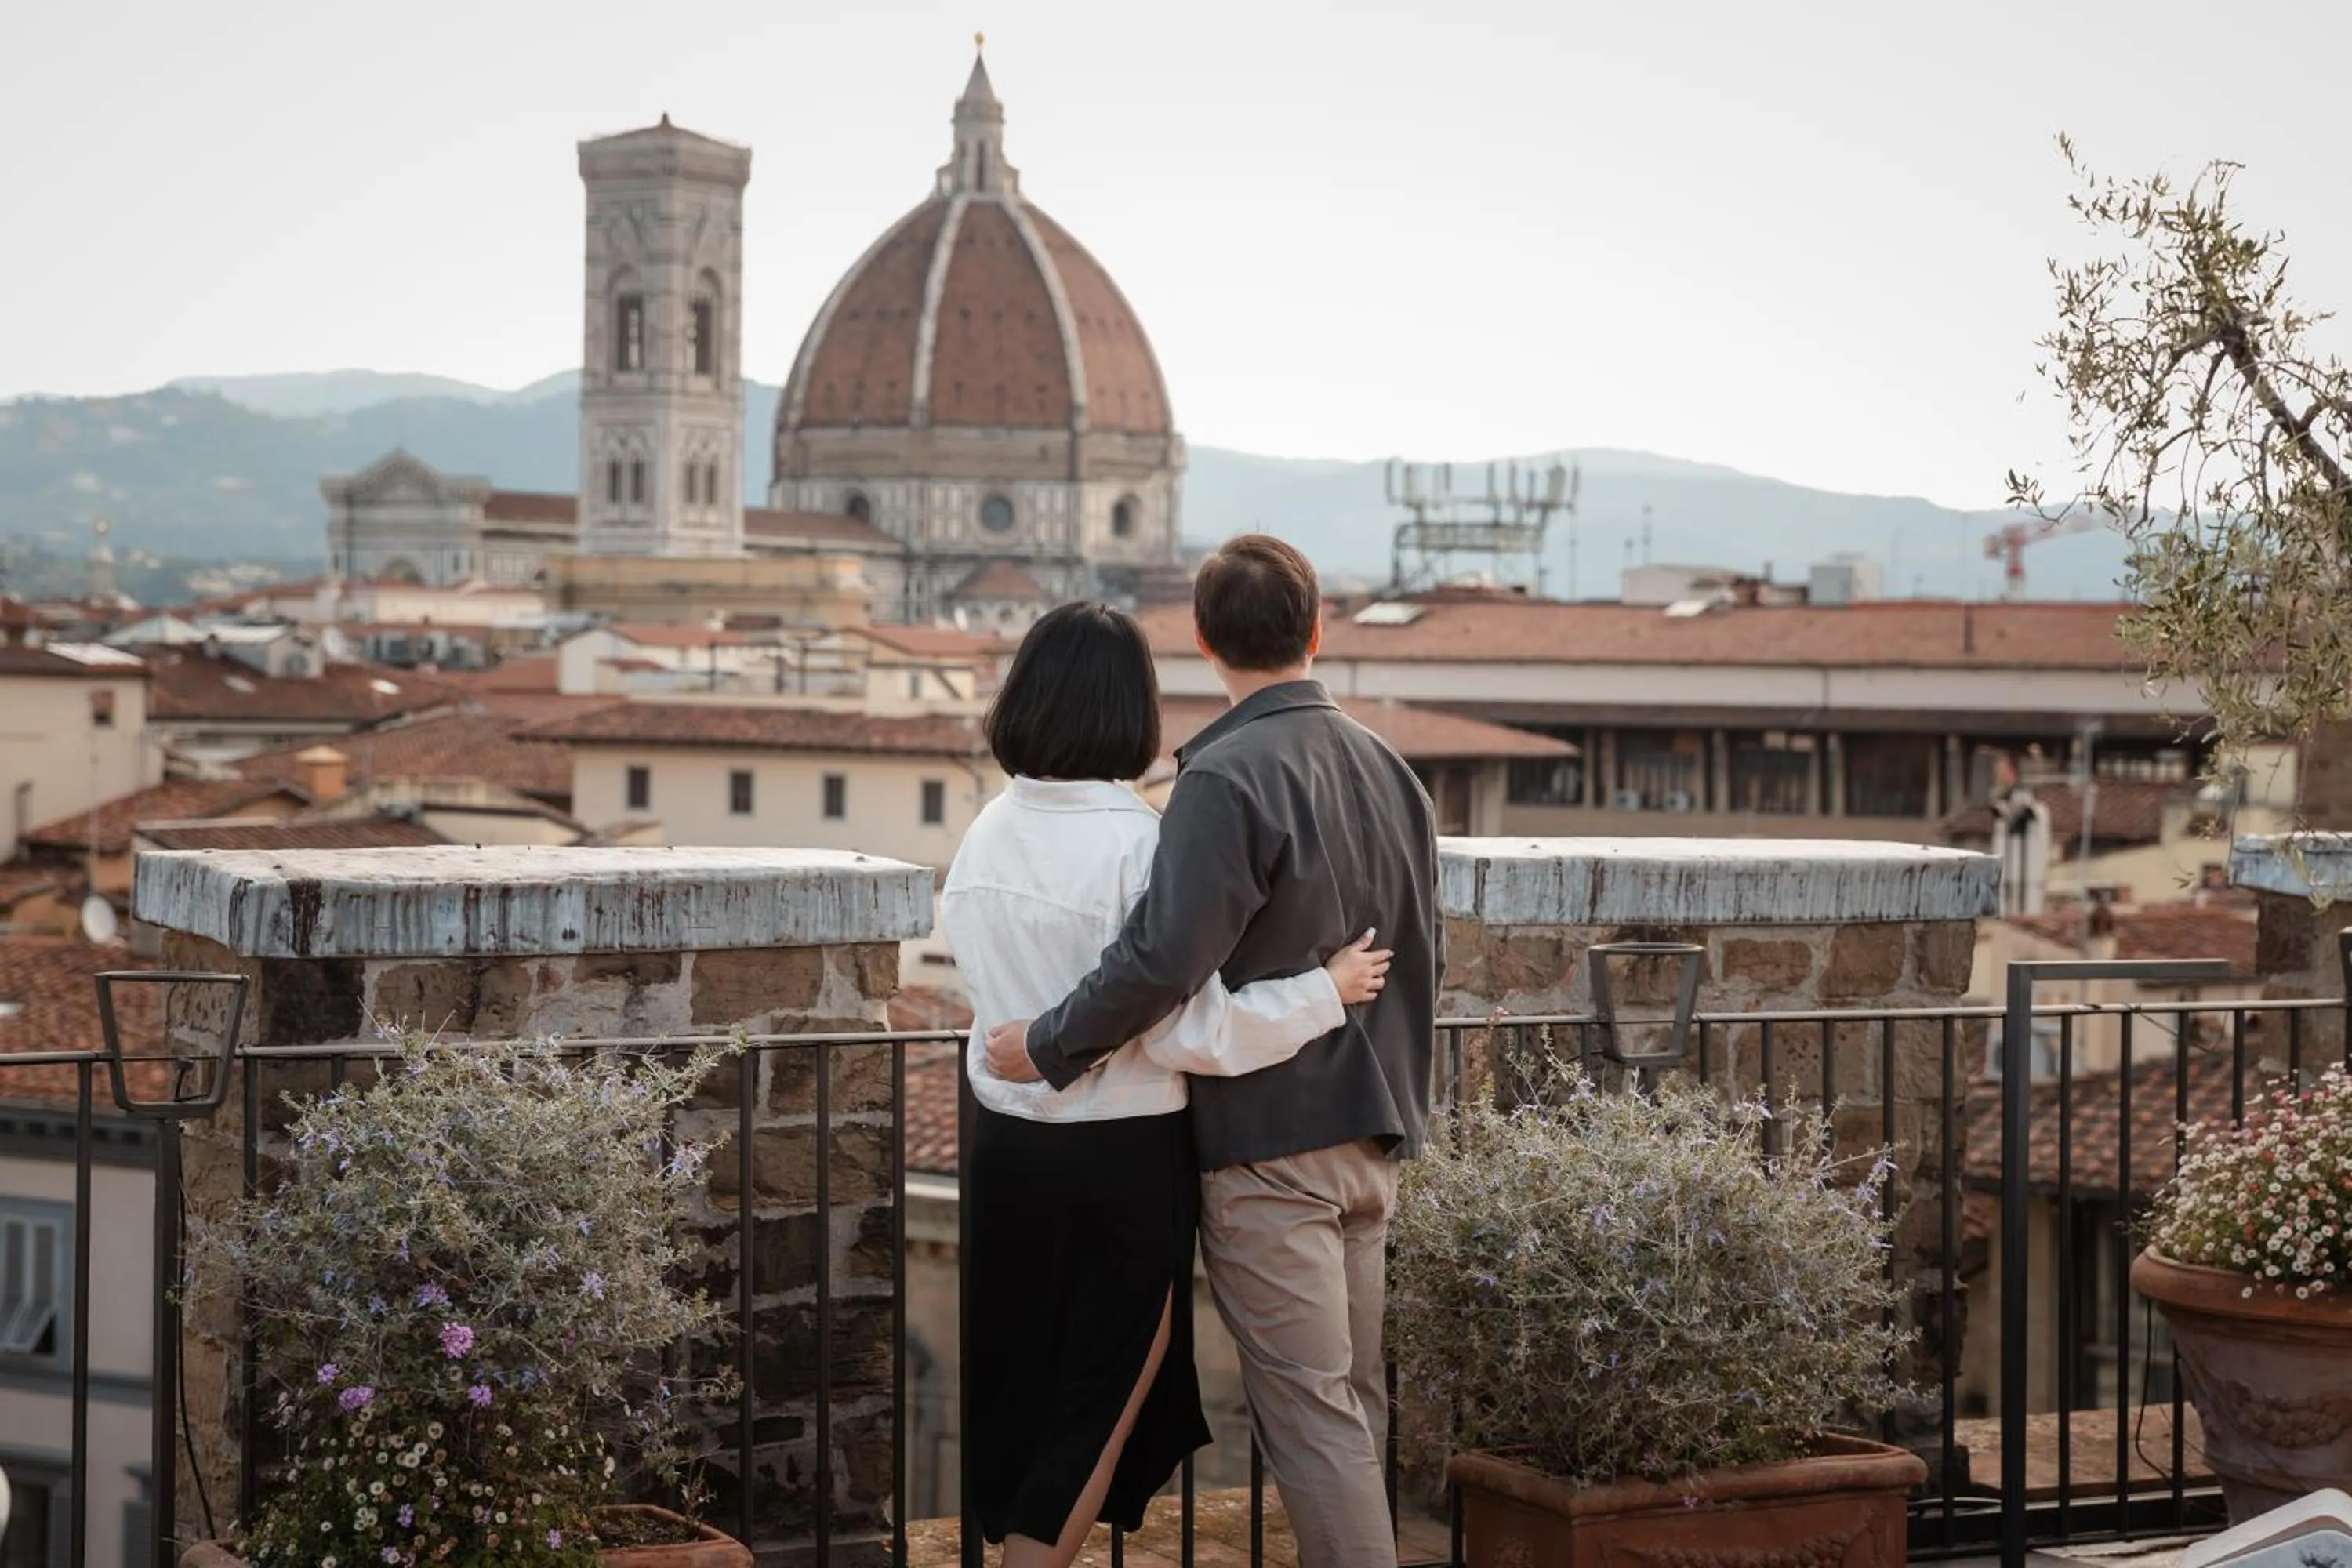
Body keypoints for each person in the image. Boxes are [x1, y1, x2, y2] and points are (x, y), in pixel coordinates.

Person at [987, 535, 1441, 1568]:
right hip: (1374, 1134)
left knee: (1314, 1419)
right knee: (1353, 1407)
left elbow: (1159, 962)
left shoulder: (1226, 775)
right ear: (1315, 628)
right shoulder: (1393, 770)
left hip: (1272, 1144)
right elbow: (1426, 955)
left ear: (1201, 639)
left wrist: (1047, 1044)